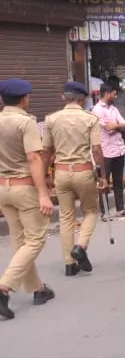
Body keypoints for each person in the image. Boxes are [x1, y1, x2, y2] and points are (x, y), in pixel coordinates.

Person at [0, 79, 56, 319]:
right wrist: (44, 193)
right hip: (24, 188)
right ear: (24, 99)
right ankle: (4, 288)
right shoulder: (25, 122)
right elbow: (34, 158)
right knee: (35, 239)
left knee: (20, 240)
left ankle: (37, 289)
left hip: (3, 188)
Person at [42, 82, 106, 277]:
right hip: (83, 171)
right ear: (83, 99)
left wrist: (45, 175)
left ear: (64, 98)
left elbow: (46, 151)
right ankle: (80, 246)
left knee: (66, 217)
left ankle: (69, 264)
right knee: (91, 211)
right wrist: (103, 175)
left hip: (61, 172)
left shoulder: (51, 119)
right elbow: (96, 149)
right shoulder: (90, 119)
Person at [92, 83, 125, 218]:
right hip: (106, 151)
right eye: (114, 94)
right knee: (104, 181)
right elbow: (109, 129)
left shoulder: (113, 109)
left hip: (119, 149)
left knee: (118, 180)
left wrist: (117, 126)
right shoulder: (97, 110)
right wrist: (118, 126)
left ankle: (120, 209)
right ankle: (105, 212)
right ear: (107, 93)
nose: (115, 96)